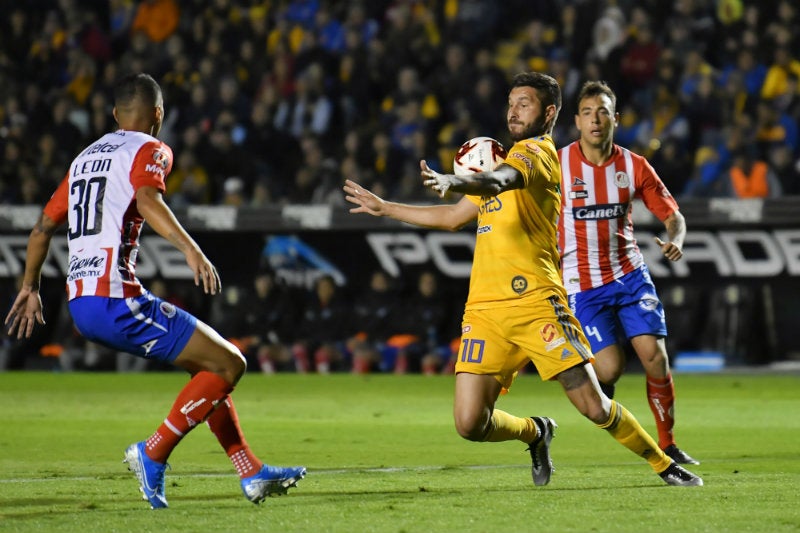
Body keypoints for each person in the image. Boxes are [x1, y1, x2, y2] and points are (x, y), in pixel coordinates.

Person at [343, 71, 702, 487]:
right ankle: (537, 432)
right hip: (484, 309)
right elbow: (453, 216)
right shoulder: (500, 160)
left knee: (593, 405)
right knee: (469, 423)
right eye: (511, 102)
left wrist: (455, 179)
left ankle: (663, 463)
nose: (513, 111)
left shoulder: (537, 154)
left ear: (548, 113)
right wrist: (386, 208)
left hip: (536, 302)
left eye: (524, 104)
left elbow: (500, 181)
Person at [4, 73, 305, 509]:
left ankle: (250, 471)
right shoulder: (151, 149)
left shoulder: (84, 158)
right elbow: (147, 200)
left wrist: (30, 286)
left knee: (206, 371)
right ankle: (153, 451)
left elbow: (42, 227)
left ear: (114, 115)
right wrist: (192, 251)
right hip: (116, 298)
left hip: (82, 302)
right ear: (158, 115)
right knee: (229, 363)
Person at [557, 80, 700, 466]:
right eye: (587, 113)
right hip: (582, 283)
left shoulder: (633, 165)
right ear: (577, 122)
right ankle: (595, 398)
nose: (595, 120)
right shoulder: (558, 165)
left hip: (630, 275)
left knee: (654, 356)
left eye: (603, 111)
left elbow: (673, 216)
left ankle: (667, 443)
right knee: (609, 367)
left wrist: (678, 239)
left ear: (616, 119)